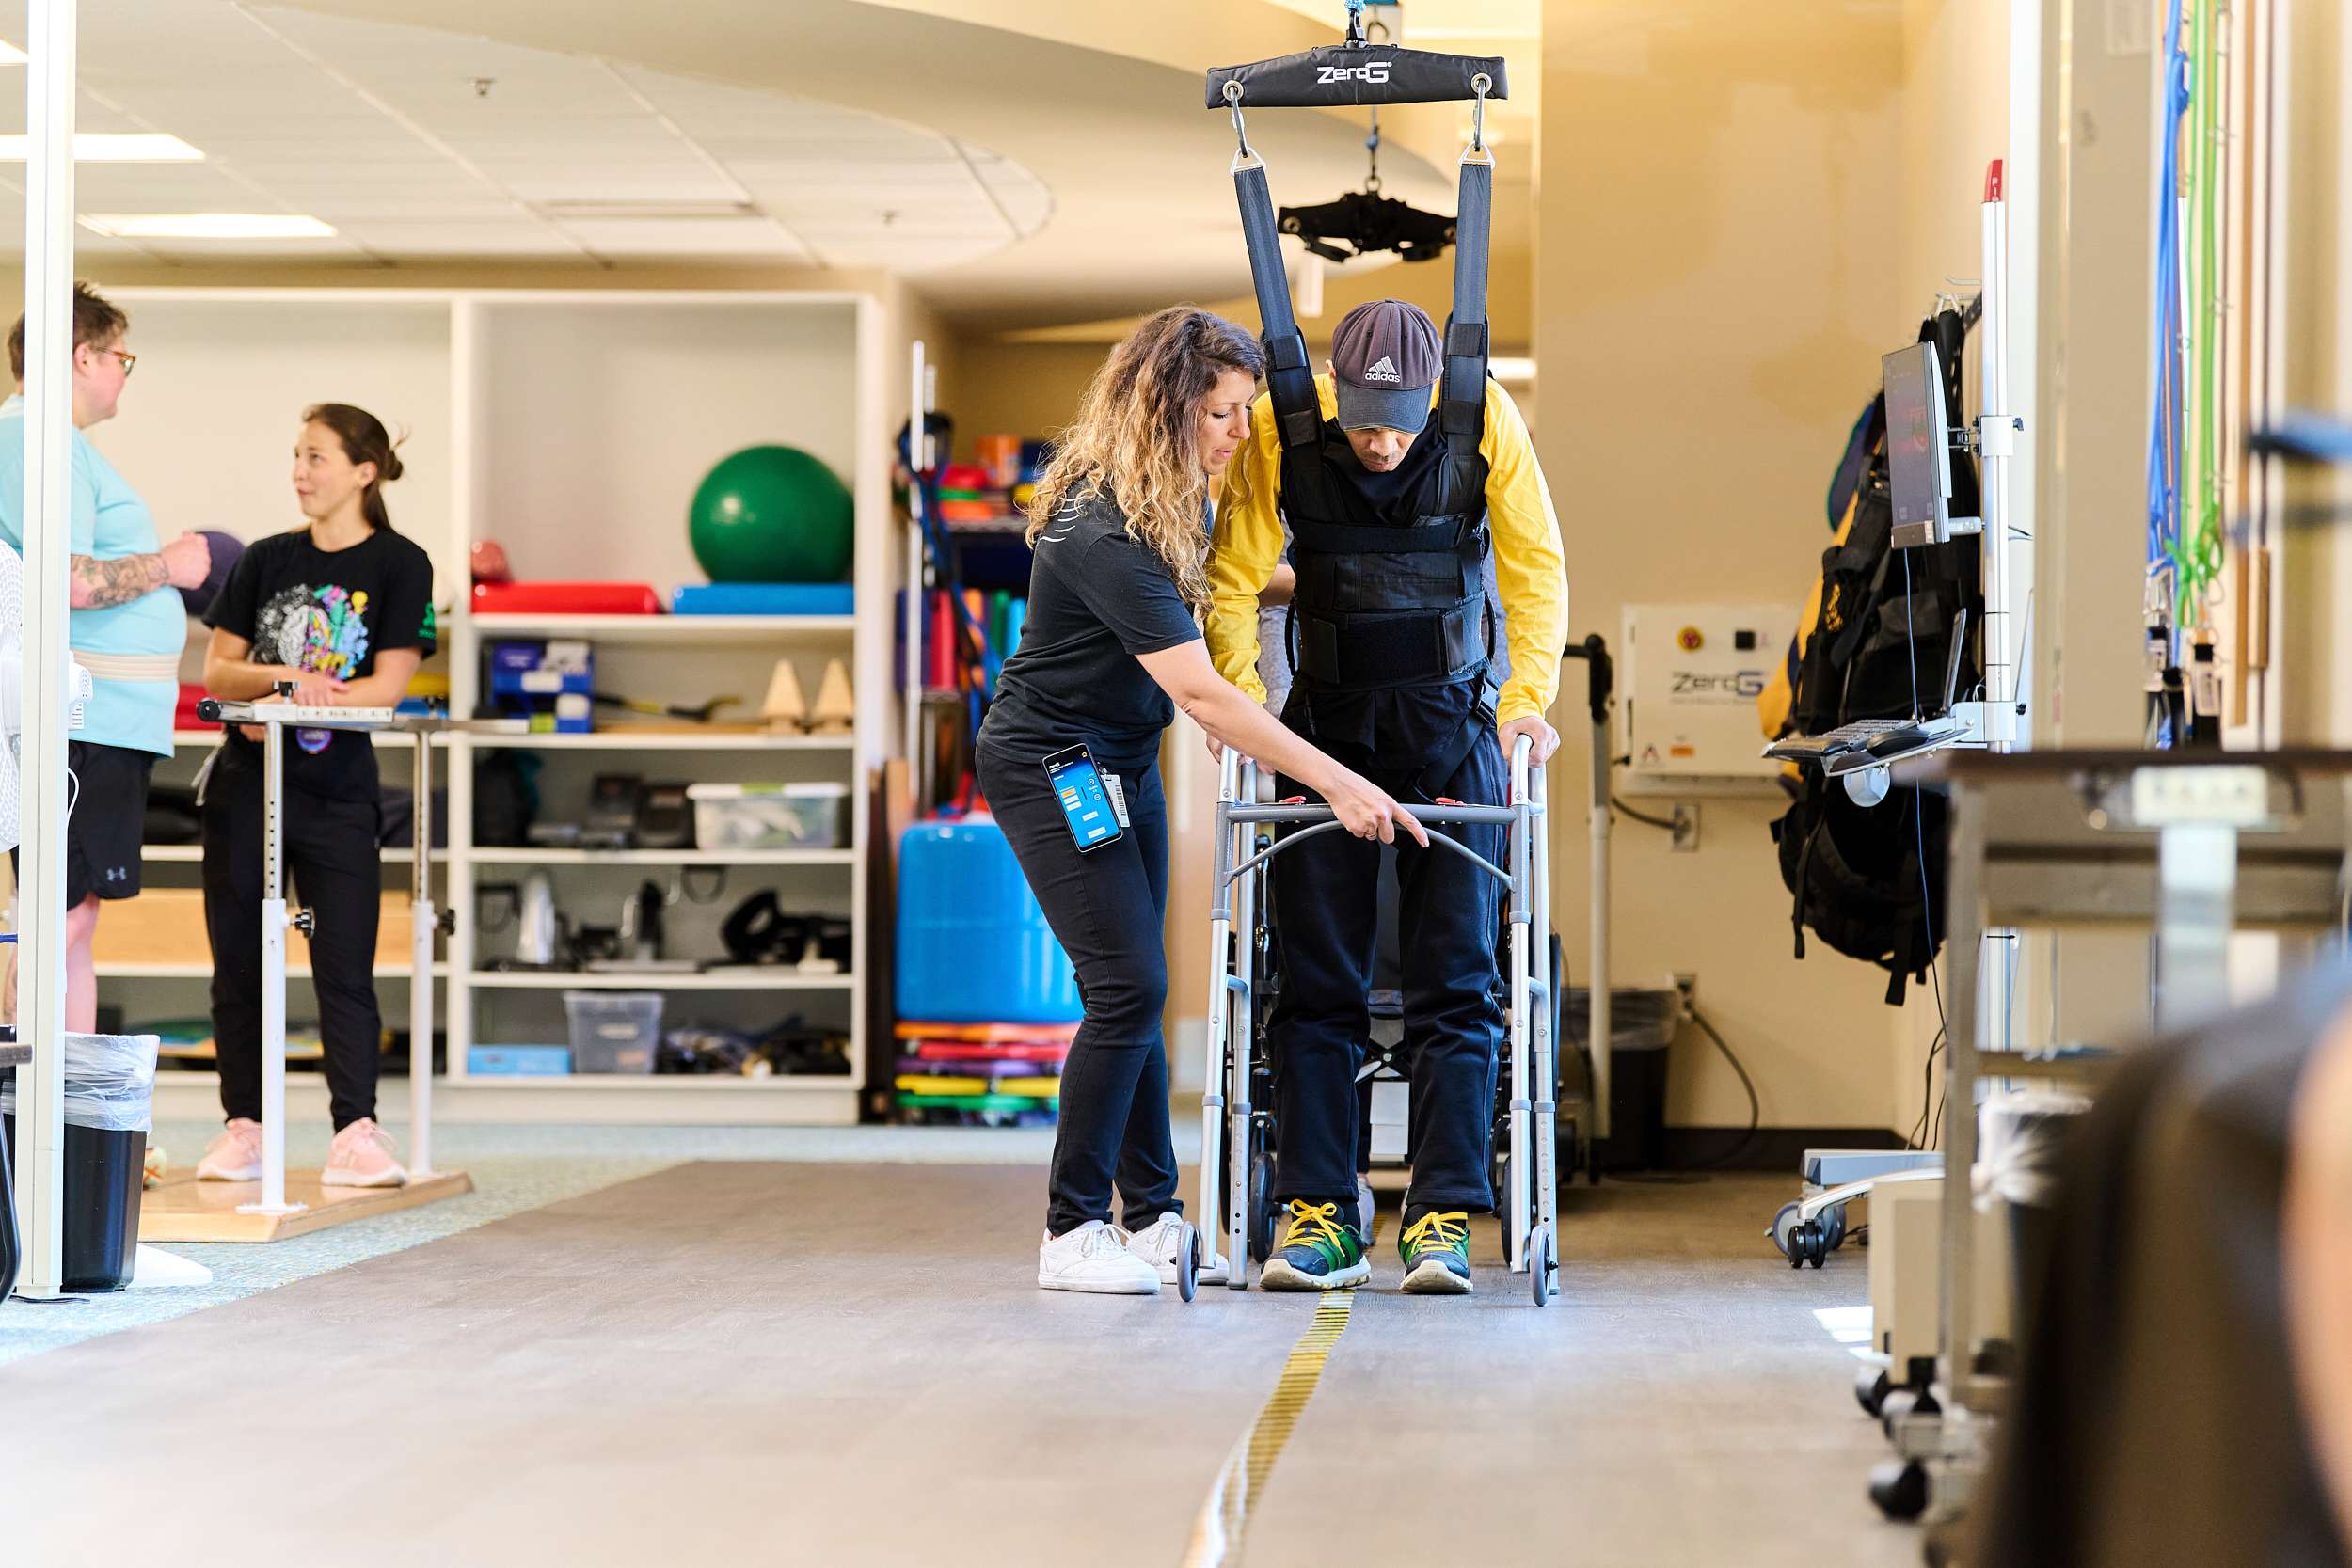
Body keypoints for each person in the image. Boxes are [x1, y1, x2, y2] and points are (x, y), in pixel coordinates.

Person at [976, 306, 1428, 1296]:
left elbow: (1229, 586)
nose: (1237, 429)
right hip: (1050, 762)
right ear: (1165, 406)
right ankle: (1071, 1227)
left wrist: (1356, 582)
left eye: (1242, 409)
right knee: (1127, 987)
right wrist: (1339, 777)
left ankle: (1152, 1218)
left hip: (1120, 761)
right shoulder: (1099, 522)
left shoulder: (1170, 500)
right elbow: (1202, 690)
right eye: (1220, 411)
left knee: (1137, 988)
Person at [1208, 297, 1566, 1295]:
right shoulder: (1288, 424)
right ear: (1337, 393)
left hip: (1454, 733)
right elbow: (1232, 573)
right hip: (1325, 732)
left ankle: (1440, 1214)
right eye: (1363, 422)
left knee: (1456, 984)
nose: (1378, 443)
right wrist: (1243, 709)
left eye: (1397, 424)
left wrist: (1526, 702)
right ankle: (1319, 1210)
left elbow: (1535, 567)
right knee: (1315, 982)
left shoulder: (1480, 411)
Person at [194, 404, 433, 1189]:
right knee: (237, 962)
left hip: (335, 792)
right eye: (296, 456)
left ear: (364, 471)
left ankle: (355, 1130)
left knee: (343, 963)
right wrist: (286, 682)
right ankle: (245, 1126)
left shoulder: (402, 564)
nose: (300, 471)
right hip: (244, 786)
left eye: (317, 457)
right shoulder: (264, 558)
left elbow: (387, 687)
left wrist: (303, 700)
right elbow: (219, 673)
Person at [0, 283, 211, 1032]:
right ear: (81, 356)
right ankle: (42, 1131)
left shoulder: (59, 445)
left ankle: (71, 1131)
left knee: (73, 922)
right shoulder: (39, 442)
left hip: (101, 723)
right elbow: (69, 579)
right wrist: (172, 565)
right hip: (84, 724)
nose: (124, 371)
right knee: (58, 924)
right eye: (121, 355)